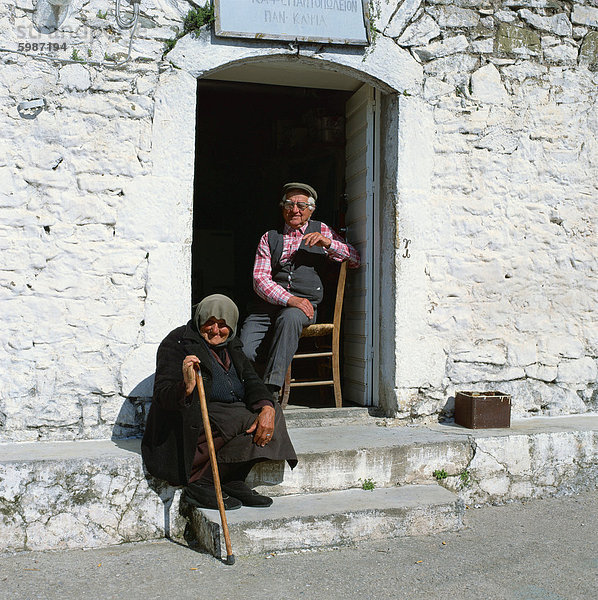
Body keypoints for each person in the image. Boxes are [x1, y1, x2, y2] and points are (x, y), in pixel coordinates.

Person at [142, 294, 297, 511]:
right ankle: (200, 483)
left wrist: (267, 406)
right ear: (200, 320)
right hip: (192, 421)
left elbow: (251, 380)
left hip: (227, 416)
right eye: (210, 324)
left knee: (271, 412)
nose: (216, 331)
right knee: (242, 418)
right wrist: (185, 387)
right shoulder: (177, 343)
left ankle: (231, 478)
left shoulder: (231, 344)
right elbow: (162, 394)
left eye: (223, 325)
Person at [239, 182, 360, 397]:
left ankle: (271, 390)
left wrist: (329, 244)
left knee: (290, 318)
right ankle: (252, 389)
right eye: (289, 204)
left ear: (311, 209)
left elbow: (354, 259)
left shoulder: (321, 230)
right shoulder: (269, 237)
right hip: (267, 307)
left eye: (301, 206)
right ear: (282, 207)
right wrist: (289, 299)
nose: (295, 210)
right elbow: (260, 280)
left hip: (303, 307)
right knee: (246, 350)